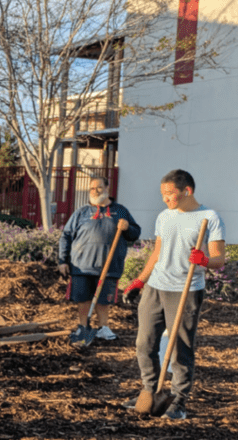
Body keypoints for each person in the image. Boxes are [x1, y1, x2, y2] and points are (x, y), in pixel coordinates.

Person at [121, 169, 225, 420]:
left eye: (169, 194)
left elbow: (219, 259)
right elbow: (157, 253)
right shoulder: (164, 216)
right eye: (162, 194)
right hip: (156, 287)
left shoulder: (209, 217)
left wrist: (204, 260)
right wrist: (139, 281)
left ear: (186, 191)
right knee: (144, 344)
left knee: (180, 349)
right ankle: (150, 390)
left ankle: (178, 400)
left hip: (186, 290)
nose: (165, 199)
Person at [58, 177, 141, 344]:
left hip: (109, 266)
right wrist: (62, 261)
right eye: (92, 188)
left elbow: (135, 233)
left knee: (104, 299)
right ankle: (83, 327)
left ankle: (103, 327)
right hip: (82, 265)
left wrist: (127, 228)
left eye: (99, 187)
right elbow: (66, 236)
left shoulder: (121, 211)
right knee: (83, 299)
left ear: (107, 188)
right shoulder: (81, 212)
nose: (95, 191)